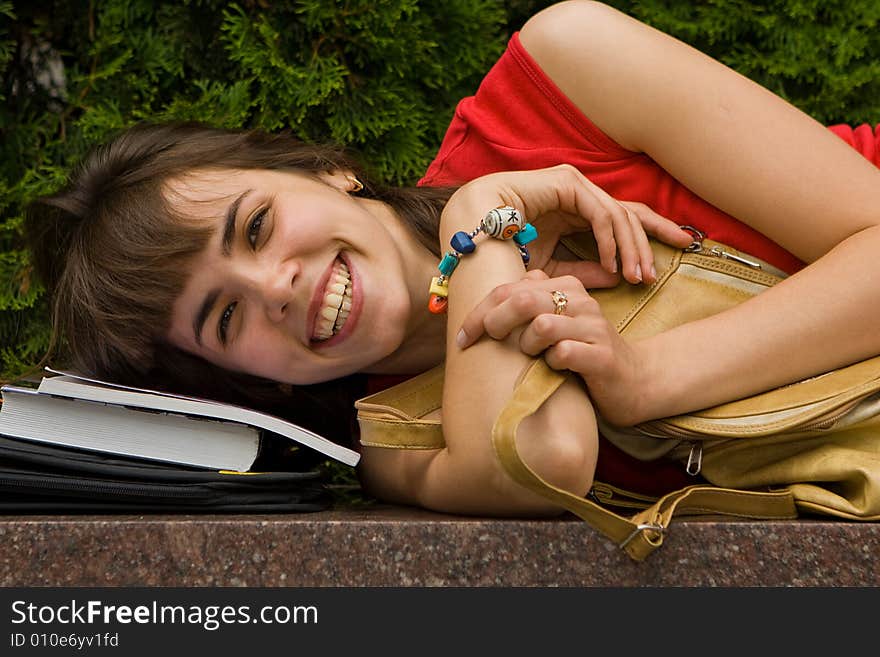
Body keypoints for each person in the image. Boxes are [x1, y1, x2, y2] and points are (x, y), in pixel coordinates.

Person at [25, 1, 880, 517]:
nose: (274, 286)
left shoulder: (565, 71)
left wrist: (647, 372)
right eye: (225, 317)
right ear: (256, 382)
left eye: (253, 228)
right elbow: (543, 464)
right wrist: (482, 230)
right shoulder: (394, 440)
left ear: (328, 170)